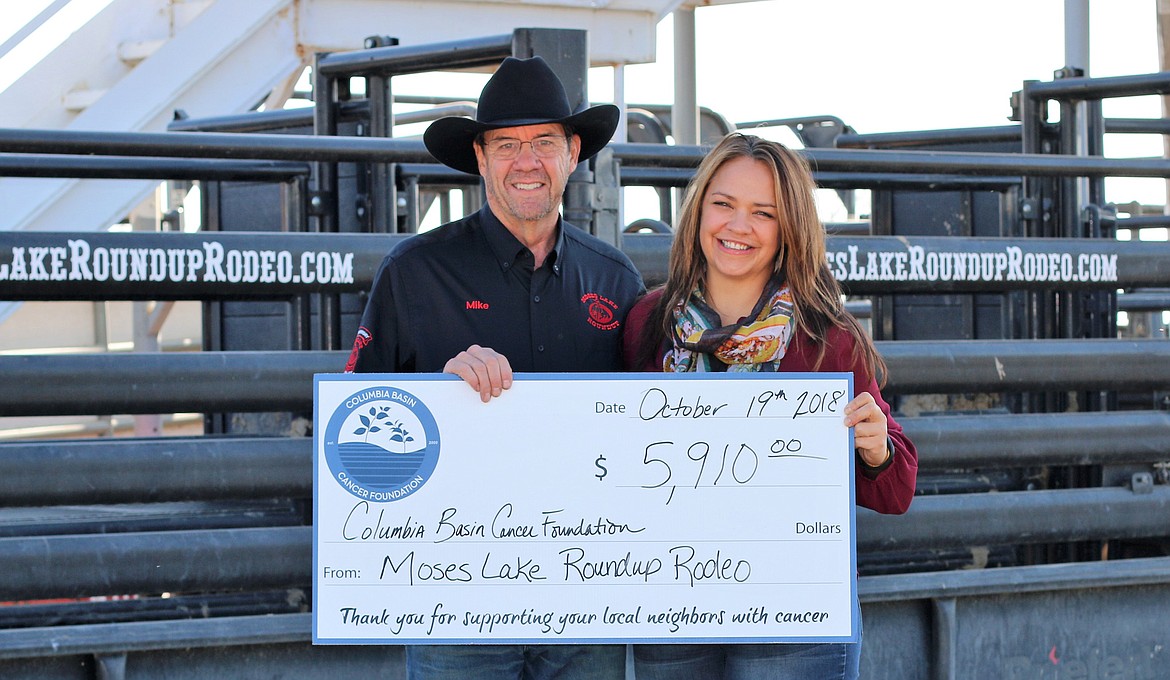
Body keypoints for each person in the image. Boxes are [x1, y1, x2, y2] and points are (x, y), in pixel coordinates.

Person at [344, 56, 644, 679]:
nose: (525, 161)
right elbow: (353, 421)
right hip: (455, 596)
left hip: (588, 596)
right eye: (506, 144)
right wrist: (434, 396)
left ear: (572, 152)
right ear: (480, 157)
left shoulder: (615, 279)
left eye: (543, 142)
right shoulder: (414, 273)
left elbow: (649, 428)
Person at [621, 133, 917, 680]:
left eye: (764, 213)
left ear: (789, 230)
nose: (738, 226)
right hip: (671, 606)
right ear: (698, 210)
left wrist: (876, 449)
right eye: (724, 205)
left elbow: (895, 490)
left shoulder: (825, 337)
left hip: (790, 616)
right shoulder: (646, 323)